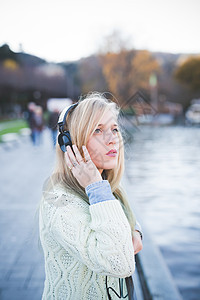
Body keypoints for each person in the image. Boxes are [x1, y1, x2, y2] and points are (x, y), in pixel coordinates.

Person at [39, 92, 143, 299]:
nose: (112, 139)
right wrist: (96, 188)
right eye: (98, 130)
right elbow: (120, 265)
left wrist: (137, 232)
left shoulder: (107, 189)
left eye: (114, 129)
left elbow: (124, 221)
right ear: (70, 144)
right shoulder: (59, 201)